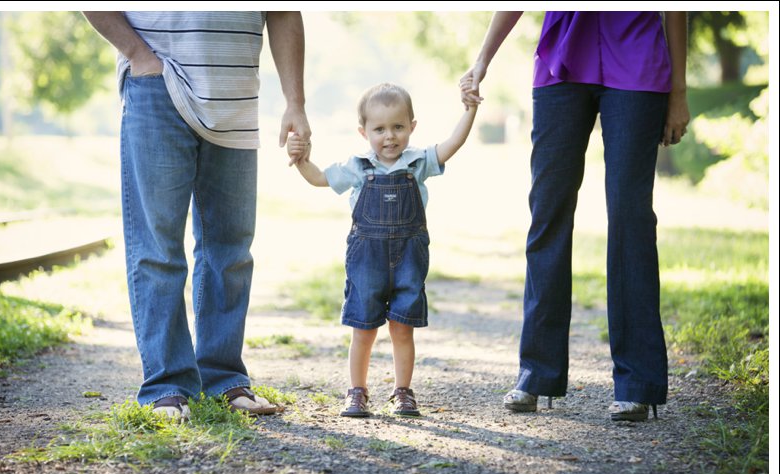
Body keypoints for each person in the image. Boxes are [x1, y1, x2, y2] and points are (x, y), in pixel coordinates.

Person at [461, 12, 690, 421]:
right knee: (547, 212)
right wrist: (482, 61)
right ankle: (536, 372)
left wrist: (678, 93)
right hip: (560, 66)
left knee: (630, 217)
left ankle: (638, 383)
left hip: (638, 62)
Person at [83, 11, 311, 419]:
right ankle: (166, 385)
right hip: (158, 84)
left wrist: (296, 102)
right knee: (157, 246)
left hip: (236, 99)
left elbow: (282, 10)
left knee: (231, 247)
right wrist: (139, 55)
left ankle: (223, 379)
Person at [286, 83, 478, 417]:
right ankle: (357, 392)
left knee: (402, 328)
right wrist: (300, 157)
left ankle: (403, 392)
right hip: (366, 260)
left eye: (398, 127)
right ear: (364, 132)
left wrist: (470, 110)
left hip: (409, 258)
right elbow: (318, 178)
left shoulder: (418, 162)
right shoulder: (358, 166)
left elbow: (452, 144)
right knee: (364, 328)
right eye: (379, 129)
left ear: (412, 127)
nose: (389, 136)